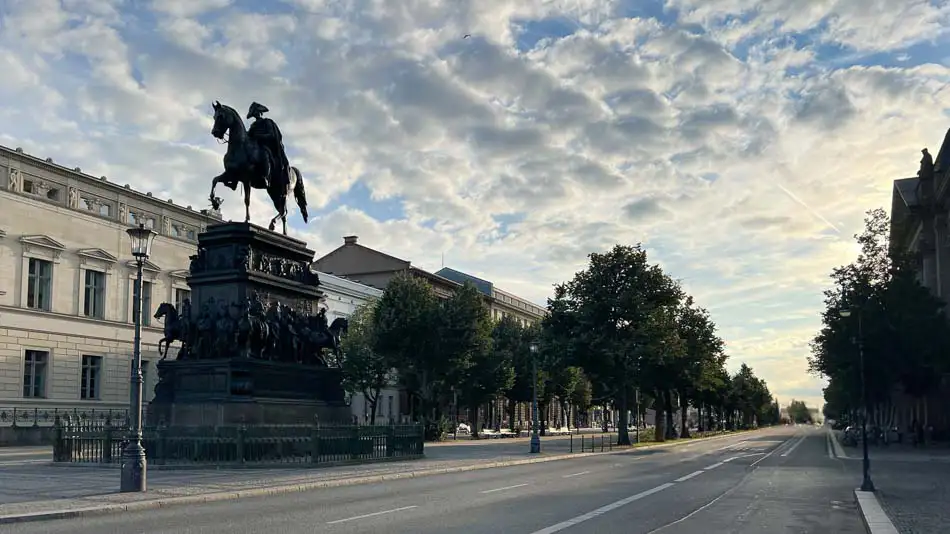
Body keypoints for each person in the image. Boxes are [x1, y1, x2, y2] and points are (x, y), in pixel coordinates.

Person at [246, 102, 289, 189]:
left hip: (266, 146)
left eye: (257, 112)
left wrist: (258, 136)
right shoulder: (253, 126)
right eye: (255, 113)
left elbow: (271, 135)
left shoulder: (267, 122)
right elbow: (248, 136)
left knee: (264, 154)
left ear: (261, 113)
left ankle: (265, 177)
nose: (256, 114)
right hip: (255, 147)